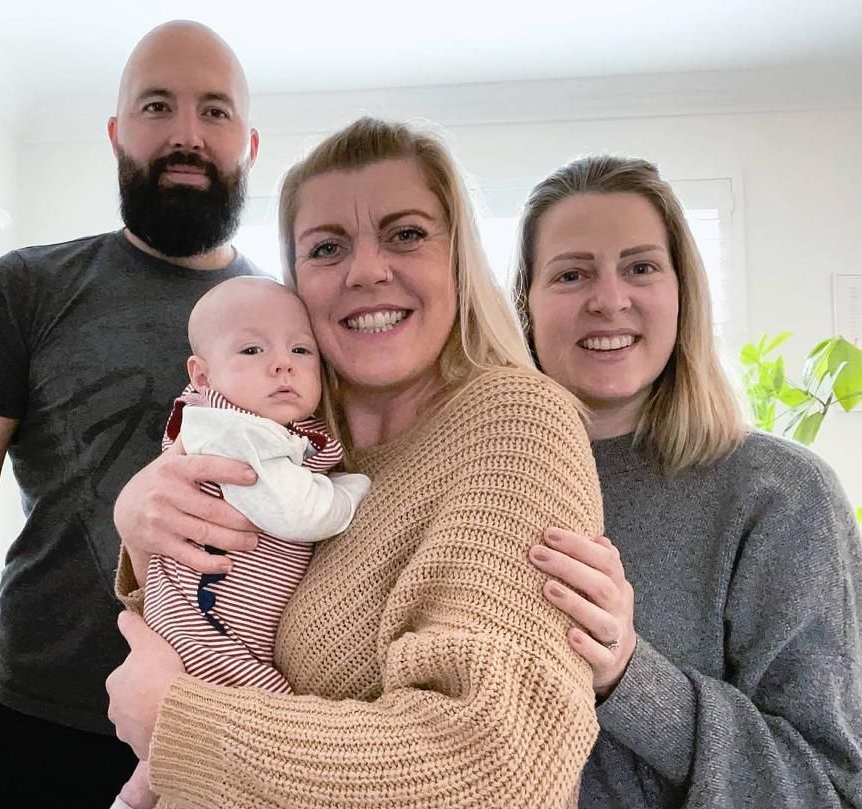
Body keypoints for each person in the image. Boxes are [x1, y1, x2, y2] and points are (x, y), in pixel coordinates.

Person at [107, 117, 605, 808]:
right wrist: (138, 520)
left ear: (458, 256)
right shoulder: (304, 435)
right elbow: (206, 615)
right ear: (295, 283)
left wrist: (180, 725)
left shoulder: (515, 420)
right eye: (327, 246)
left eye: (406, 233)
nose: (367, 270)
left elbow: (500, 768)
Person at [0, 21, 263, 809]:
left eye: (214, 112)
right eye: (158, 106)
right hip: (43, 736)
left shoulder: (296, 324)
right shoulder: (18, 293)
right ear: (118, 134)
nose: (186, 134)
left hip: (232, 738)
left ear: (249, 144)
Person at [514, 154, 862, 808]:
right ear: (526, 305)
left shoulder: (783, 495)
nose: (608, 299)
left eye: (641, 266)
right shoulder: (481, 489)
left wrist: (627, 676)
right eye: (571, 273)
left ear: (683, 292)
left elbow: (826, 788)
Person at [113, 276, 370, 809]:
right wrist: (350, 491)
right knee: (266, 716)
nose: (283, 364)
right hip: (205, 623)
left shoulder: (268, 428)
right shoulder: (231, 431)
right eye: (253, 350)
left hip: (212, 613)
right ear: (202, 374)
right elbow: (296, 511)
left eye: (301, 349)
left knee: (161, 772)